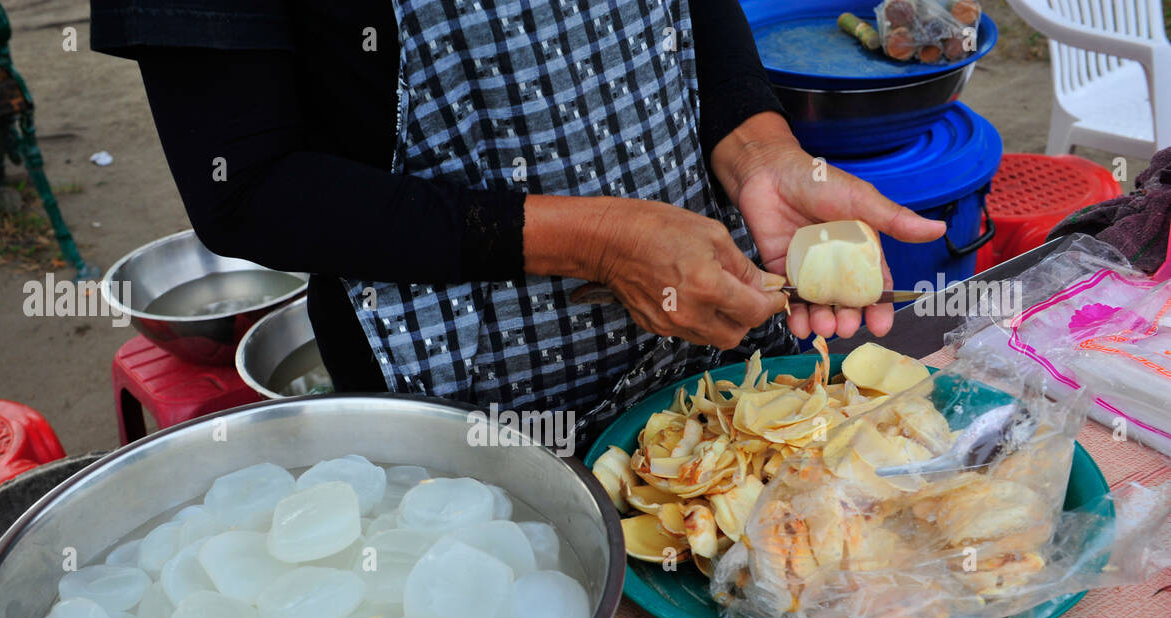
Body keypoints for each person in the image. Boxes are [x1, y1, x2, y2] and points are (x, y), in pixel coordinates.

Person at [90, 0, 945, 447]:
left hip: (714, 342)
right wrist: (598, 242)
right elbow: (247, 187)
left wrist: (761, 153)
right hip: (461, 401)